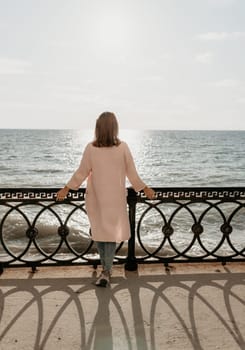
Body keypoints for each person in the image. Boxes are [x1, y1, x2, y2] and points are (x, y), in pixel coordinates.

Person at [56, 112, 155, 287]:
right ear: (114, 128)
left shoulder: (97, 147)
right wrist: (145, 188)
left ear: (98, 128)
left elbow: (82, 172)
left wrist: (66, 188)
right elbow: (85, 171)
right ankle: (105, 269)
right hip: (104, 199)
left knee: (106, 236)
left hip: (102, 199)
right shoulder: (111, 147)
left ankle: (106, 272)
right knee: (102, 235)